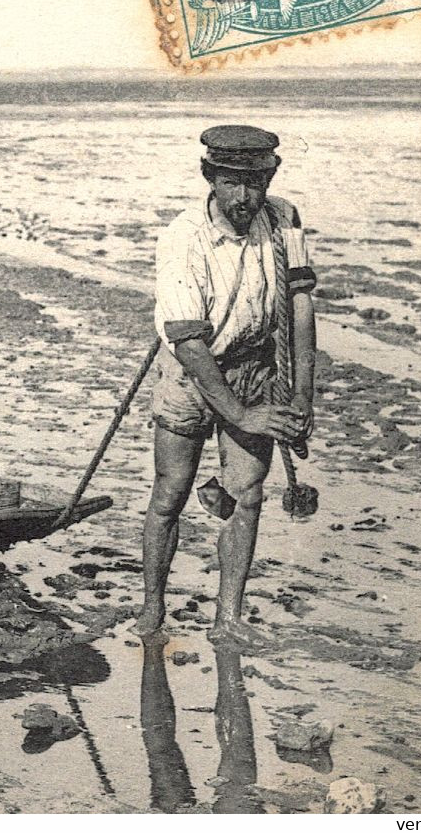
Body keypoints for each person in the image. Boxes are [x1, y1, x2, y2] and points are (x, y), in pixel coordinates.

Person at [137, 125, 317, 649]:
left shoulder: (284, 219)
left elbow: (300, 308)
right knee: (170, 492)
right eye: (231, 182)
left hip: (256, 368)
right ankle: (152, 607)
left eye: (255, 183)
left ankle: (229, 617)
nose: (244, 198)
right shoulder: (182, 237)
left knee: (248, 494)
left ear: (270, 179)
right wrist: (240, 415)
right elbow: (190, 345)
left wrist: (301, 397)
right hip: (192, 373)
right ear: (209, 177)